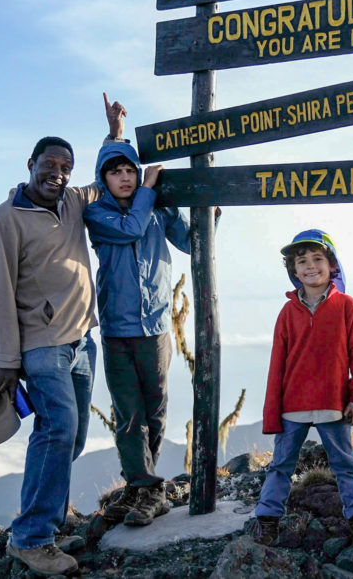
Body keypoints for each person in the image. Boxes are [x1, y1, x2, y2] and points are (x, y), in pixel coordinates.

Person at [0, 97, 125, 576]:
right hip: (40, 345)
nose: (58, 173)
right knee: (57, 430)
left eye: (66, 166)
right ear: (31, 164)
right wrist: (6, 356)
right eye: (50, 164)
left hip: (83, 340)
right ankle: (31, 538)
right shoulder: (6, 220)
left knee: (74, 435)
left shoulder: (70, 201)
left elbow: (103, 178)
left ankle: (48, 522)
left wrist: (115, 133)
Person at [85, 94, 209, 527]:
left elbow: (193, 242)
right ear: (104, 179)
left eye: (129, 171)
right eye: (115, 171)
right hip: (118, 330)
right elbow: (130, 227)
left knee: (155, 408)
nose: (123, 177)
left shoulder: (154, 210)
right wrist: (148, 190)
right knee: (128, 412)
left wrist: (203, 203)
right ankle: (143, 484)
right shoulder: (98, 213)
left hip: (156, 327)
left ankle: (145, 487)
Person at [250, 230, 353, 552]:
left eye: (317, 259)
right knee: (281, 465)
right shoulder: (287, 313)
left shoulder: (346, 306)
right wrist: (272, 414)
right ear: (294, 271)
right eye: (302, 262)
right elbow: (276, 367)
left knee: (345, 464)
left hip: (333, 404)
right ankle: (267, 521)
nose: (310, 266)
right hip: (292, 406)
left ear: (332, 265)